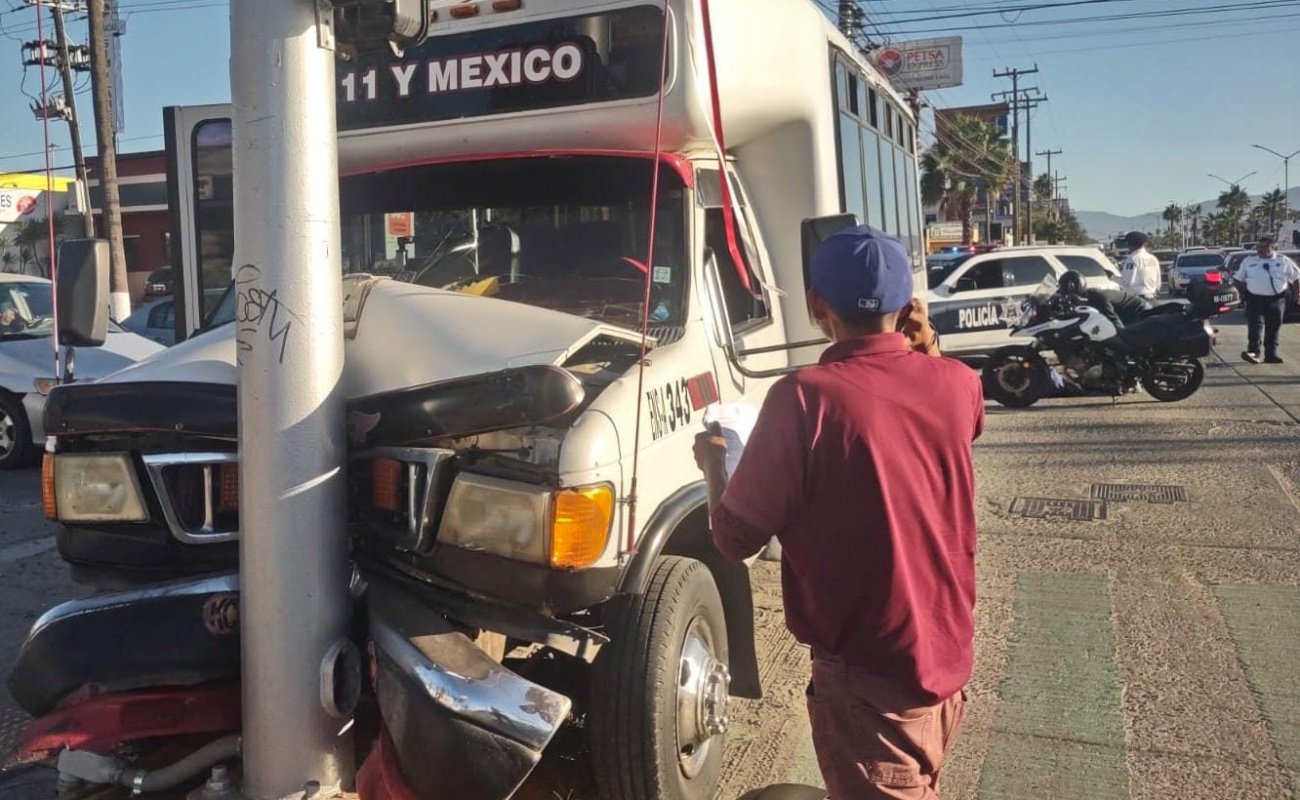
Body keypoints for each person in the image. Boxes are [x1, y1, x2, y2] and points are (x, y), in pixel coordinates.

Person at [693, 225, 983, 799]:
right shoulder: (958, 383)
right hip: (945, 665)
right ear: (907, 305)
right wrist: (928, 350)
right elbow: (954, 415)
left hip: (868, 681)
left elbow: (734, 540)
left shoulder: (804, 398)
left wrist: (713, 469)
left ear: (814, 305)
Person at [1233, 234, 1300, 364]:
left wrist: (1298, 294)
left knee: (1273, 327)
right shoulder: (1249, 261)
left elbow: (1296, 278)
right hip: (1254, 298)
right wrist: (1239, 294)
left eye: (1263, 247)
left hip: (1276, 299)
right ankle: (1254, 353)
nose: (1259, 249)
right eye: (1258, 247)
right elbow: (1238, 279)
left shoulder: (1283, 261)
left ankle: (1271, 355)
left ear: (1272, 247)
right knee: (1255, 326)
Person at [1056, 269, 1150, 327]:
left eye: (1067, 294)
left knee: (1125, 340)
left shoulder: (1097, 297)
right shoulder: (1086, 297)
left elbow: (1113, 320)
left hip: (1138, 311)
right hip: (1126, 313)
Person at [1117, 231, 1161, 300]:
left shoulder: (1133, 259)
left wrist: (1112, 277)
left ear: (1131, 244)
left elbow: (1127, 282)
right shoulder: (1153, 258)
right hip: (1153, 297)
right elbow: (1158, 282)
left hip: (1137, 299)